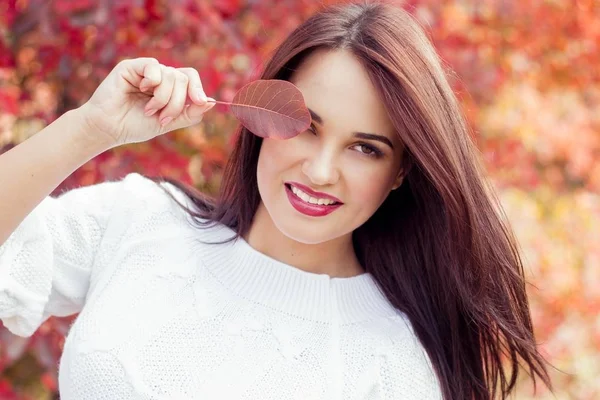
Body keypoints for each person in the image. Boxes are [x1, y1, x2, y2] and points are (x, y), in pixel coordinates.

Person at [0, 2, 553, 399]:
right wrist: (91, 129)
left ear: (401, 171)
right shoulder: (139, 223)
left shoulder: (396, 363)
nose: (319, 170)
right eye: (306, 127)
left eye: (365, 148)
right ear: (260, 118)